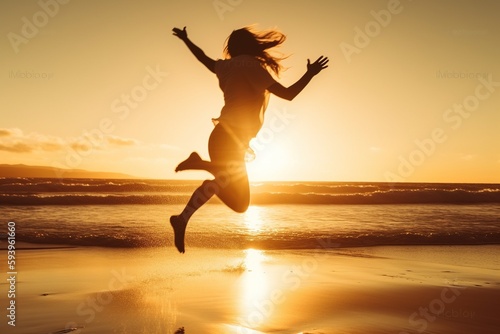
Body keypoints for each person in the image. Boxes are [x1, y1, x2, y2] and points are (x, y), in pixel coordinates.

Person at [170, 25, 328, 253]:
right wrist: (310, 74)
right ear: (251, 45)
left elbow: (202, 58)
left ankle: (182, 218)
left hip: (222, 137)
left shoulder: (224, 66)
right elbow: (289, 94)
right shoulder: (253, 67)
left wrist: (186, 39)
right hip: (231, 141)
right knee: (240, 202)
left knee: (236, 199)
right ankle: (200, 164)